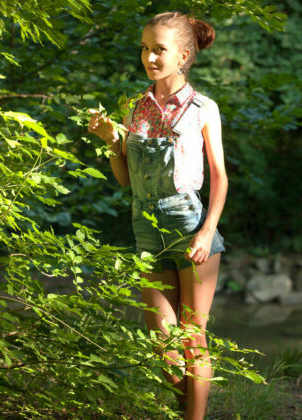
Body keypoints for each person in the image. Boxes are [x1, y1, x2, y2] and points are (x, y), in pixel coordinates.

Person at [88, 11, 228, 420]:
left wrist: (207, 231)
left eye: (159, 50)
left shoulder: (204, 108)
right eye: (145, 49)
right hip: (145, 229)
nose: (149, 57)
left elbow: (219, 179)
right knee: (164, 346)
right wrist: (113, 140)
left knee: (193, 338)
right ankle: (187, 407)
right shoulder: (134, 108)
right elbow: (125, 180)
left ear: (183, 55)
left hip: (189, 227)